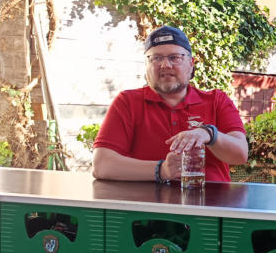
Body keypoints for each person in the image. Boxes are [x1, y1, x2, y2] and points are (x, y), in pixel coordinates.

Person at [93, 26, 248, 182]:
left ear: (191, 64)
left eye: (175, 57)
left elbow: (240, 155)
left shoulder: (216, 100)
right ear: (147, 65)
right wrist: (162, 170)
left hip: (212, 197)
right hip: (146, 198)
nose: (165, 65)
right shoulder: (127, 102)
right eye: (156, 58)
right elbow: (102, 165)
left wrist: (209, 134)